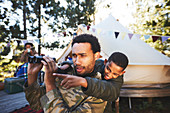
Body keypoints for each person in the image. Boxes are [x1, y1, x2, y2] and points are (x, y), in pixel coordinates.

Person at [24, 34, 124, 112]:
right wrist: (31, 76)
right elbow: (36, 105)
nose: (77, 61)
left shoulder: (99, 90)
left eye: (83, 55)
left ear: (96, 56)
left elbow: (113, 90)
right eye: (75, 56)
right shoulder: (65, 73)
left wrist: (50, 84)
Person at [54, 52, 129, 112]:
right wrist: (68, 65)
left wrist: (85, 82)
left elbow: (112, 92)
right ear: (105, 62)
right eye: (108, 69)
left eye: (115, 74)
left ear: (121, 73)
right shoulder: (98, 63)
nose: (109, 74)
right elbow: (84, 64)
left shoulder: (118, 80)